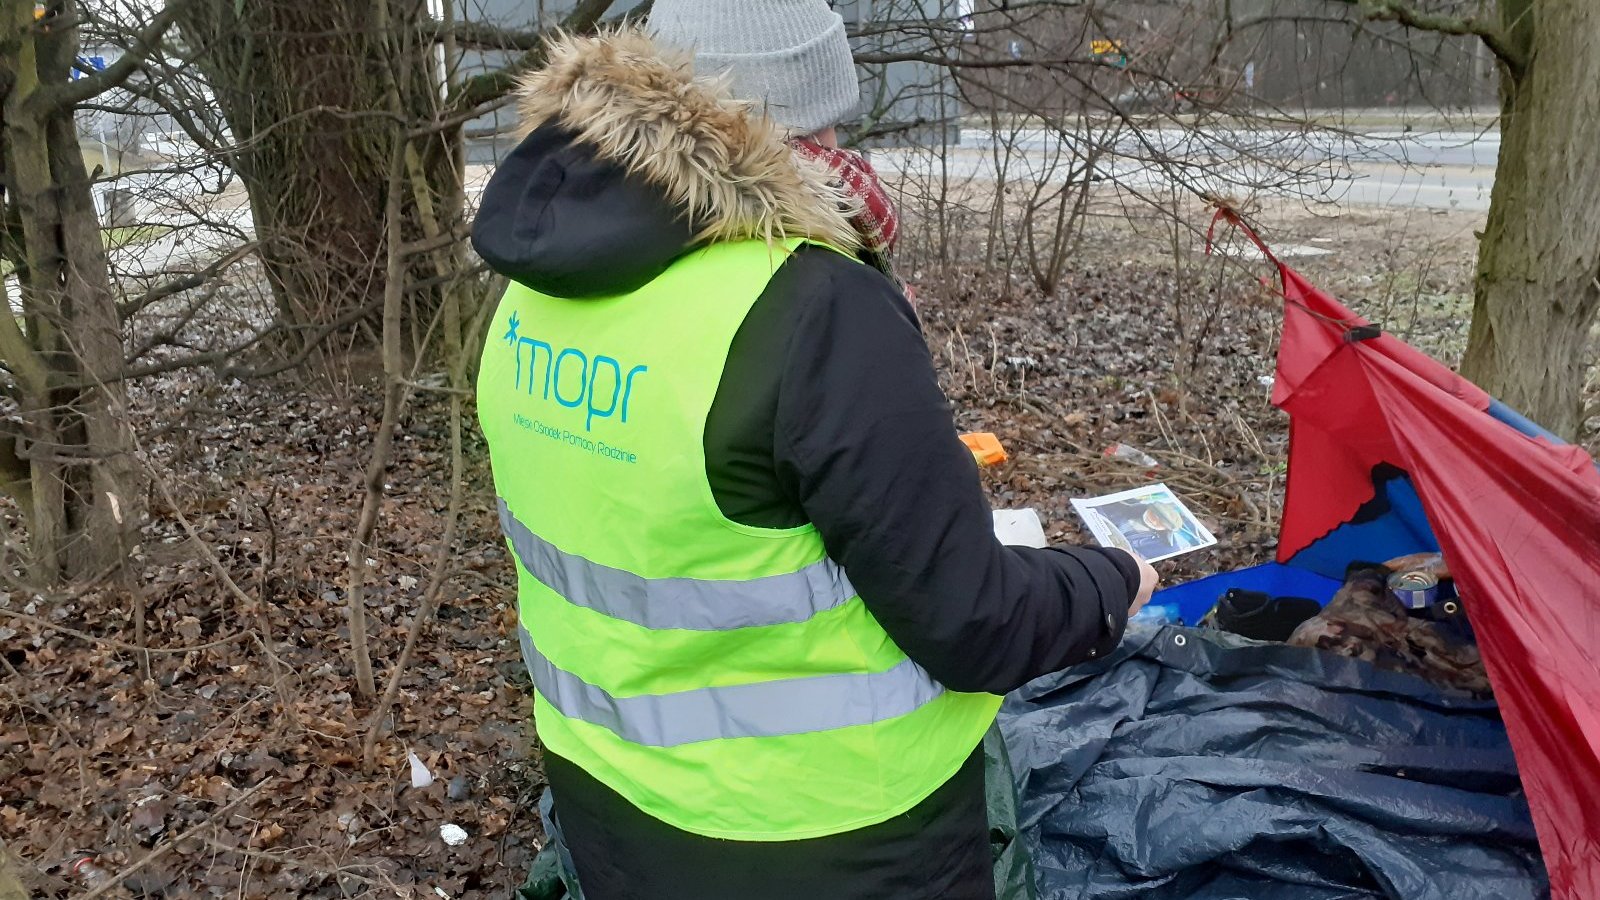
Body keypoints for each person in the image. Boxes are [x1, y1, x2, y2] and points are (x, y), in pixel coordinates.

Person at [470, 2, 1159, 897]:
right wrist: (1111, 583)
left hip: (608, 806)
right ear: (798, 111)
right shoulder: (809, 304)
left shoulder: (532, 290)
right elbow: (973, 623)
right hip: (831, 839)